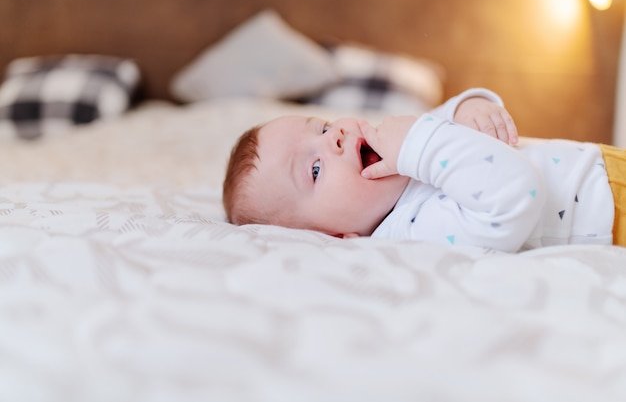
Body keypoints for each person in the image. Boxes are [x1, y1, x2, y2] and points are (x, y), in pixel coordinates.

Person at [223, 88, 625, 252]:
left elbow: (450, 118)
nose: (336, 137)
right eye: (314, 169)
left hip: (602, 163)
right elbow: (516, 196)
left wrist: (470, 107)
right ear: (336, 236)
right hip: (613, 213)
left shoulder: (400, 144)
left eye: (324, 126)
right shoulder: (412, 231)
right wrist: (421, 142)